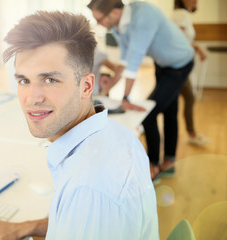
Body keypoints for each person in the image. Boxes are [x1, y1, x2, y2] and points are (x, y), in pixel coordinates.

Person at [0, 11, 159, 240]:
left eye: (50, 80)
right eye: (24, 80)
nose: (32, 97)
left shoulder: (89, 188)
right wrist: (24, 228)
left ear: (86, 86)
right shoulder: (115, 134)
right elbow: (75, 221)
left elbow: (87, 208)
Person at [87, 0, 195, 180]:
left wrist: (126, 97)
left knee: (149, 114)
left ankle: (153, 166)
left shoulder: (143, 14)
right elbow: (125, 60)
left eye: (99, 19)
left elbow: (134, 60)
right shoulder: (117, 26)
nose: (98, 24)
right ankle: (169, 160)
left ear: (114, 13)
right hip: (162, 64)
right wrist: (108, 88)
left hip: (180, 64)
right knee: (169, 110)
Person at [172, 0, 210, 147]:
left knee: (166, 98)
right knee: (189, 97)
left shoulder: (181, 14)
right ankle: (192, 134)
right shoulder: (181, 14)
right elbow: (178, 39)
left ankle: (192, 133)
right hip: (178, 65)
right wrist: (198, 48)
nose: (196, 1)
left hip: (178, 64)